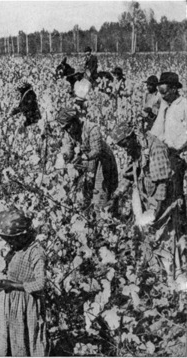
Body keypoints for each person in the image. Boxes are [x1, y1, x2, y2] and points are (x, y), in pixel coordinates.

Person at [110, 122, 186, 287]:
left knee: (167, 237)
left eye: (124, 144)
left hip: (164, 200)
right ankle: (162, 277)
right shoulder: (135, 149)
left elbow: (162, 184)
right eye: (121, 146)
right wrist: (116, 195)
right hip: (149, 198)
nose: (124, 148)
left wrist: (155, 211)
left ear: (132, 137)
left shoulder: (155, 148)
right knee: (152, 239)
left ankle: (175, 280)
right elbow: (129, 175)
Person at [0, 207, 49, 356]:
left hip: (27, 305)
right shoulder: (16, 249)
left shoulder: (35, 252)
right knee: (8, 340)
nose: (9, 243)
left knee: (25, 341)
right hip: (10, 303)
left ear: (22, 236)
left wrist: (12, 285)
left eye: (11, 240)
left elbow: (41, 284)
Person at [56, 107, 118, 213]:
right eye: (65, 128)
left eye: (69, 126)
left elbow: (97, 151)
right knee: (83, 195)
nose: (68, 130)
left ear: (75, 121)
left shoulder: (91, 128)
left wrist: (84, 157)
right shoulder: (69, 133)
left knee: (100, 194)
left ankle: (105, 218)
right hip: (88, 164)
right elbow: (68, 147)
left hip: (102, 162)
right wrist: (66, 157)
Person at [150, 72, 187, 153]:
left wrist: (176, 146)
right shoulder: (164, 105)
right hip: (167, 152)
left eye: (164, 92)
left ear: (173, 89)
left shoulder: (184, 105)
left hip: (181, 153)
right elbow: (157, 128)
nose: (162, 96)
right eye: (160, 92)